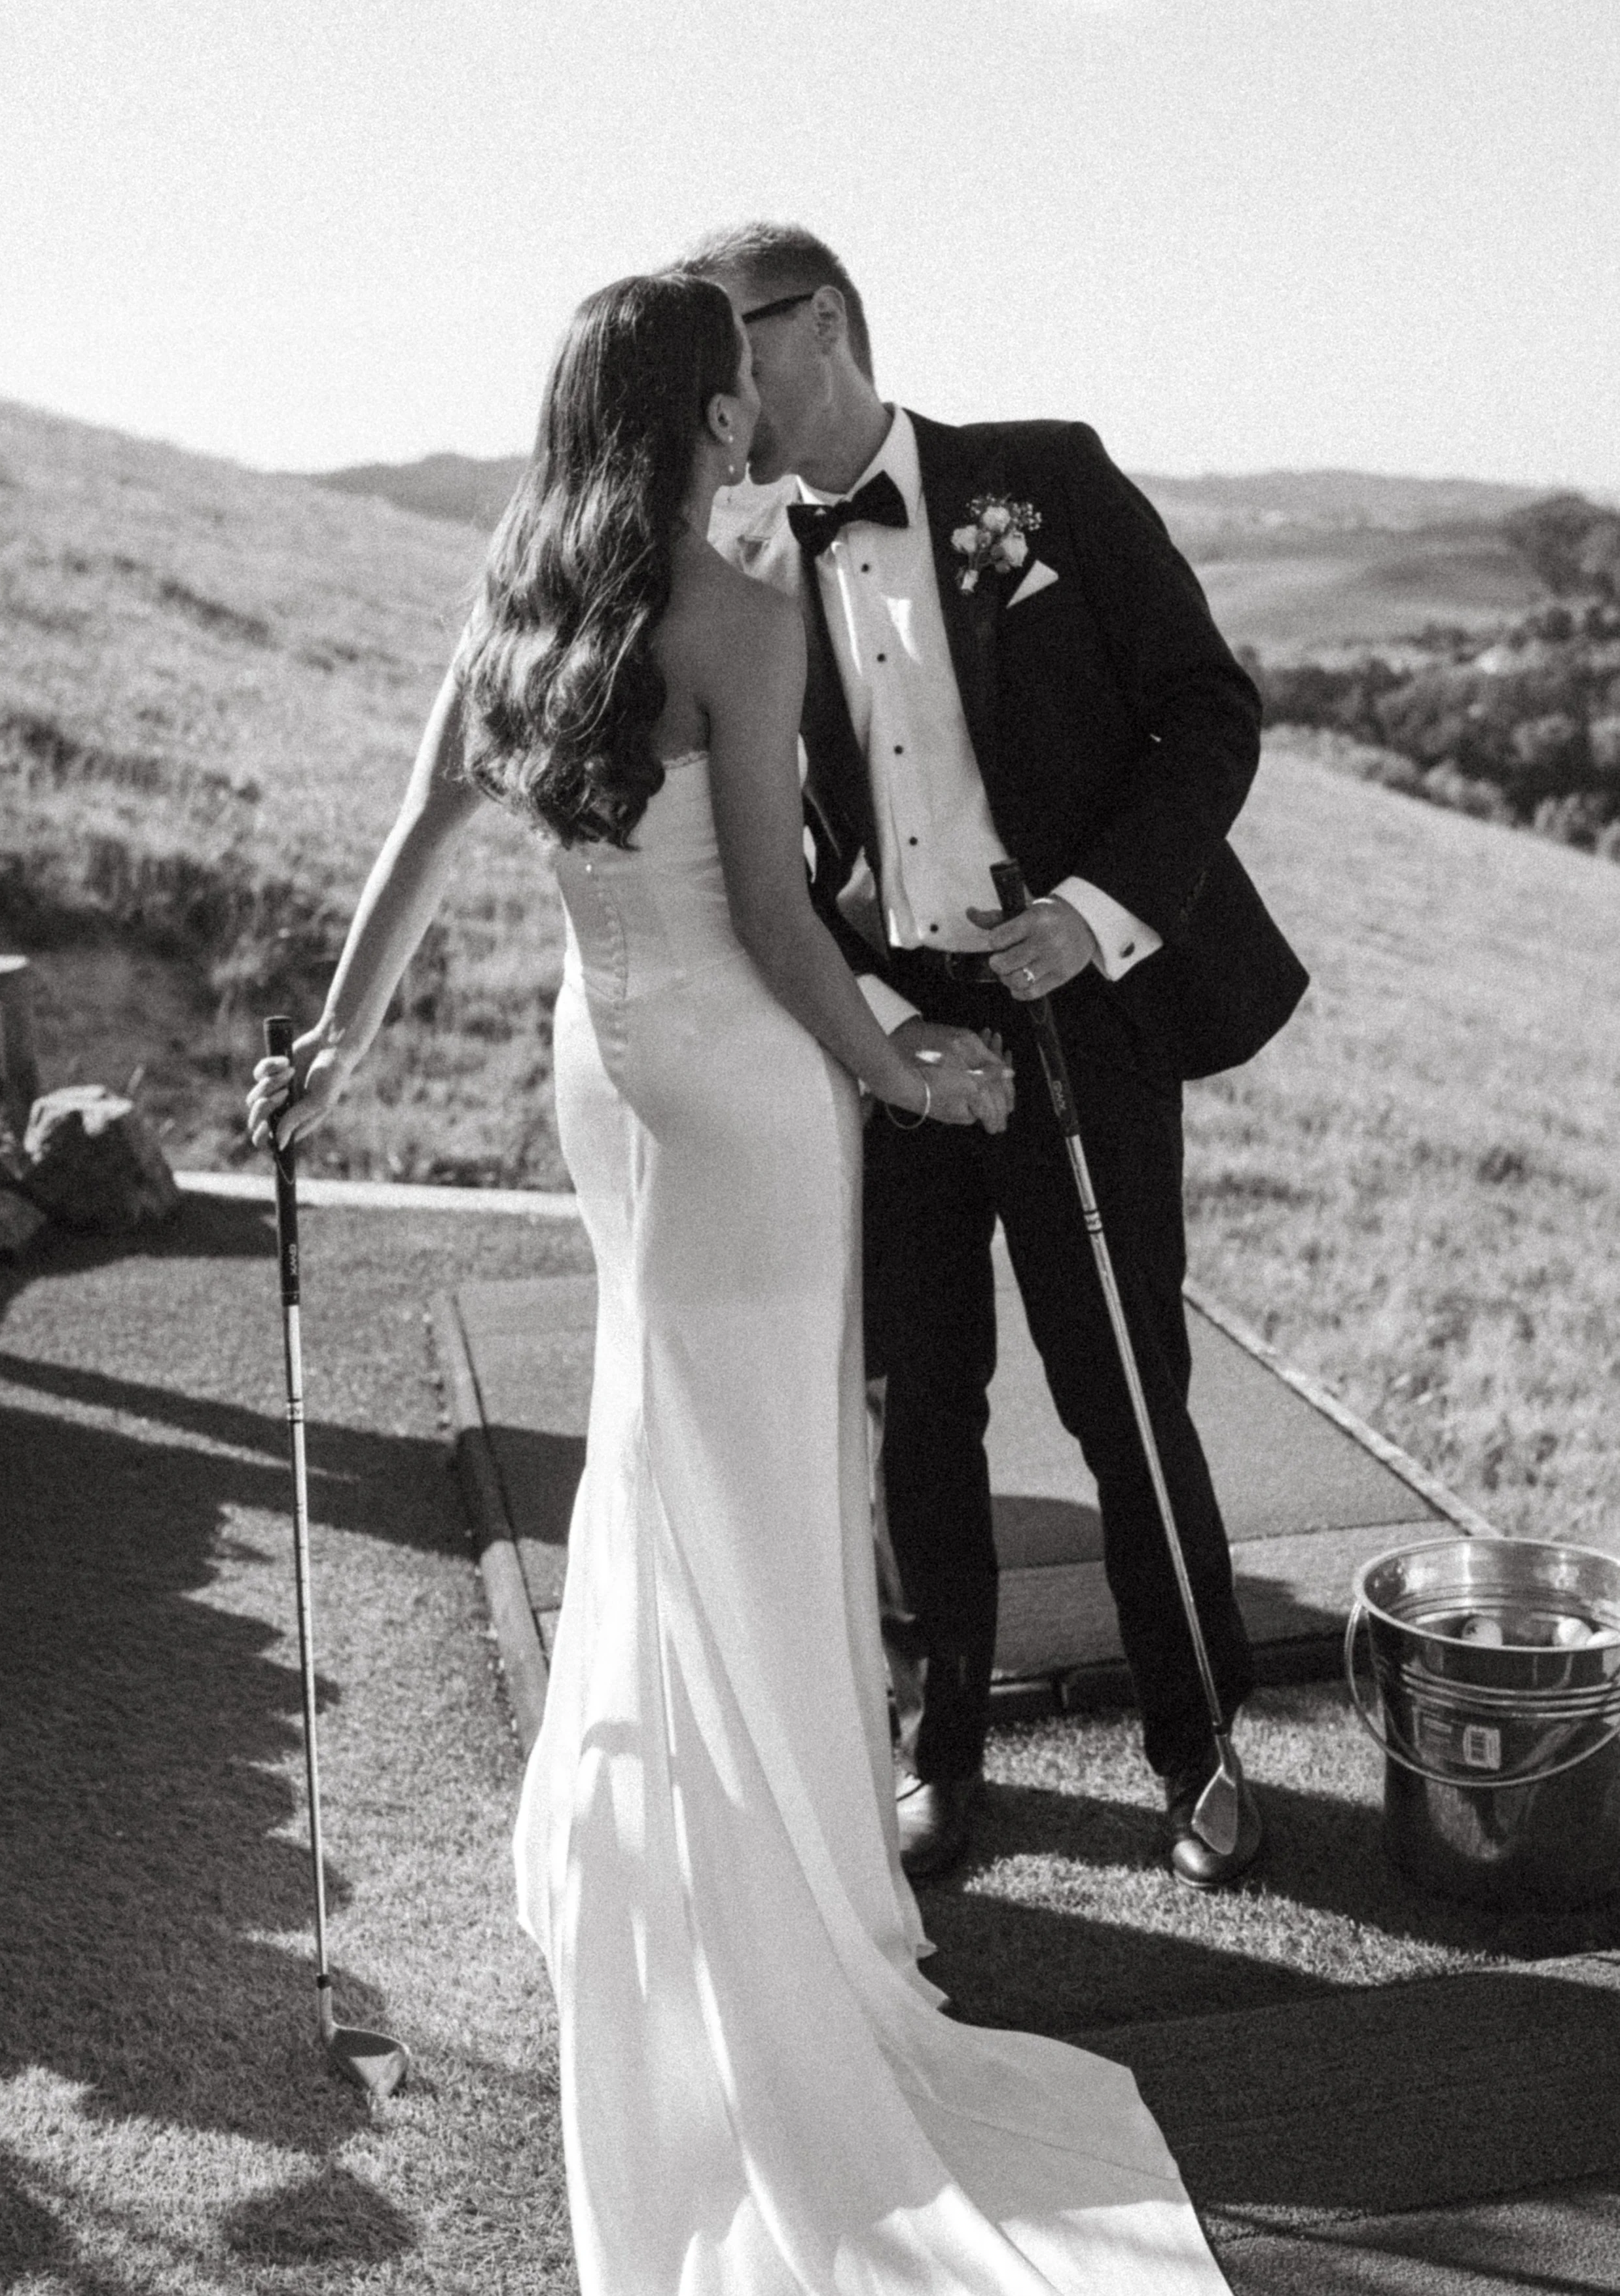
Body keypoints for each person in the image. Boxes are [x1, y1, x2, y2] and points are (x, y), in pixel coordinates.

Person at [249, 272, 1235, 2295]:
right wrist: (902, 1061)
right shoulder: (739, 613)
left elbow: (421, 839)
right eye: (727, 405)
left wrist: (336, 1043)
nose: (744, 433)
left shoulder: (518, 604)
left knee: (659, 1454)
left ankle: (695, 1845)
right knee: (772, 1481)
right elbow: (787, 929)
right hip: (754, 1101)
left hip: (603, 1082)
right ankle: (793, 1879)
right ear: (704, 418)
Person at [675, 223, 1309, 1886]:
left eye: (734, 345)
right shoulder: (735, 563)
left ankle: (1198, 1742)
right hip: (892, 1038)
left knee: (1121, 1392)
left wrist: (1096, 913)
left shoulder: (1043, 480)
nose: (719, 391)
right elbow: (774, 845)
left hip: (1078, 1015)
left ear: (821, 322)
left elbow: (1206, 708)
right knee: (917, 1397)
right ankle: (937, 1745)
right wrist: (879, 1021)